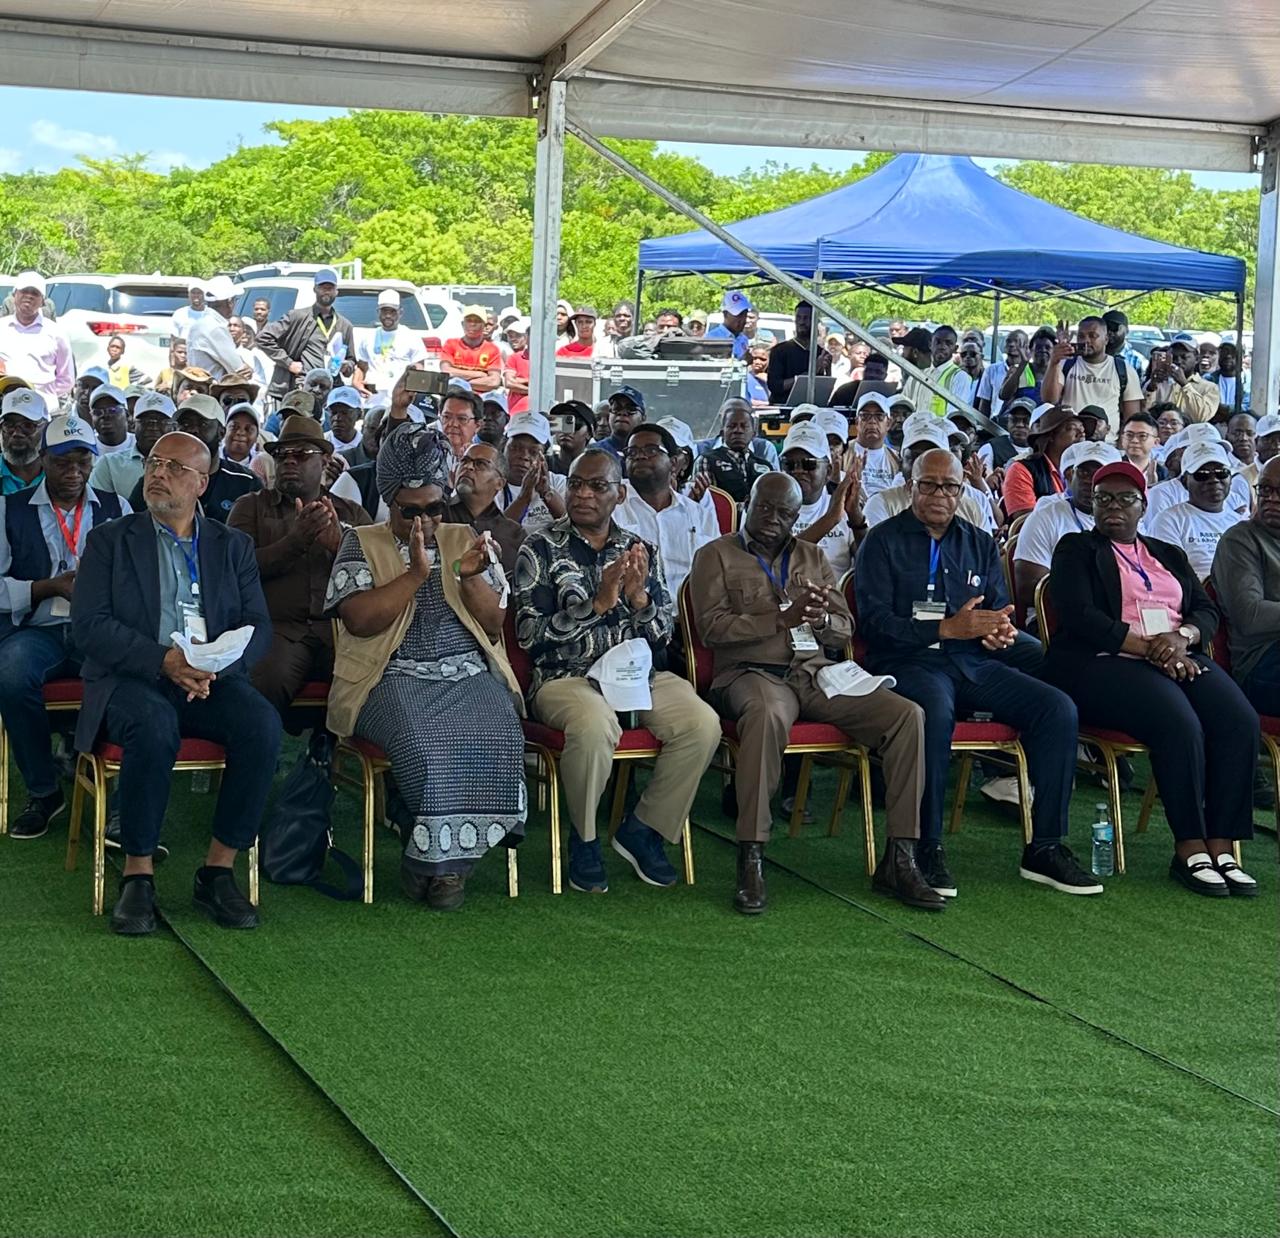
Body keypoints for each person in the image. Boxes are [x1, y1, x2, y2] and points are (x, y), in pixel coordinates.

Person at [688, 472, 941, 914]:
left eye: (784, 512)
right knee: (767, 714)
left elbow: (844, 628)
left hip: (814, 673)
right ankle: (751, 856)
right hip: (751, 673)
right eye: (765, 507)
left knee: (907, 716)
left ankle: (900, 857)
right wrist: (782, 619)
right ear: (748, 504)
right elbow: (712, 629)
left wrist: (822, 620)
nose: (773, 518)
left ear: (797, 516)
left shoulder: (812, 556)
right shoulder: (716, 555)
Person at [856, 448, 1098, 898]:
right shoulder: (882, 541)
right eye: (928, 485)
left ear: (961, 491)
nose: (939, 494)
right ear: (910, 487)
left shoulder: (980, 542)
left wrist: (997, 631)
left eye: (949, 486)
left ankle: (1045, 846)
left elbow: (996, 609)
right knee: (933, 712)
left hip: (971, 662)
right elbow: (873, 624)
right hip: (908, 662)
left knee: (1057, 708)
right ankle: (925, 847)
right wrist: (945, 628)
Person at [71, 429, 282, 934]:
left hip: (209, 678)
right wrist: (163, 660)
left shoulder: (232, 546)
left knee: (262, 725)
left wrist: (214, 668)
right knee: (153, 723)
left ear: (201, 483)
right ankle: (138, 874)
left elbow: (258, 625)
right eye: (154, 463)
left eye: (174, 467)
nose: (158, 473)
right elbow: (90, 626)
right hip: (132, 677)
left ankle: (218, 870)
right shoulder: (110, 540)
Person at [325, 422, 524, 908]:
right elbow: (359, 621)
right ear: (389, 502)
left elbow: (494, 622)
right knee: (422, 742)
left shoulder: (464, 537)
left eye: (434, 508)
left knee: (501, 727)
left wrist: (471, 577)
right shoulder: (360, 542)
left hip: (467, 672)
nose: (425, 520)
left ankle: (442, 865)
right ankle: (441, 865)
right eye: (409, 510)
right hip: (388, 676)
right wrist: (416, 574)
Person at [1045, 461, 1259, 896]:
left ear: (1143, 506)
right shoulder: (1076, 549)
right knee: (1178, 721)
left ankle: (1222, 844)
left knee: (1239, 720)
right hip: (1102, 663)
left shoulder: (1168, 553)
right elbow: (1081, 616)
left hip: (1176, 655)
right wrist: (1151, 650)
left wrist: (1182, 638)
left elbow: (1205, 610)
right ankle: (1189, 846)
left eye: (1125, 499)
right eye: (1104, 498)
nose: (1114, 506)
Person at [514, 448, 721, 893]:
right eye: (576, 484)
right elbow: (530, 636)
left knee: (702, 724)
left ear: (619, 495)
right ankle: (584, 838)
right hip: (565, 677)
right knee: (594, 724)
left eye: (597, 486)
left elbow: (662, 633)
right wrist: (598, 605)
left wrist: (640, 599)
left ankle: (644, 828)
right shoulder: (539, 547)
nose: (583, 494)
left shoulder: (638, 549)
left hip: (637, 675)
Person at [0, 414, 131, 839]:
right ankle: (44, 790)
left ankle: (122, 802)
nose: (73, 471)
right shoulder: (8, 510)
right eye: (62, 462)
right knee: (11, 675)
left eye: (82, 461)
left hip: (100, 630)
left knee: (137, 677)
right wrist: (47, 587)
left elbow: (137, 580)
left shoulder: (118, 508)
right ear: (42, 459)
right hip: (39, 630)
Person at [228, 415, 370, 721]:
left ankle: (333, 746)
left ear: (325, 461)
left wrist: (340, 549)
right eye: (282, 454)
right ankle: (261, 746)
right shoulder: (250, 506)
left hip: (340, 632)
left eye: (302, 454)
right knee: (265, 683)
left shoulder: (351, 512)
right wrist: (295, 542)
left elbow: (378, 571)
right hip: (277, 630)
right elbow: (234, 571)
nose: (289, 461)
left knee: (369, 679)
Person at [1012, 441, 1122, 628]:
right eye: (1083, 472)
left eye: (1099, 474)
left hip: (1121, 616)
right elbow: (1028, 589)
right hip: (1059, 620)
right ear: (1072, 476)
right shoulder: (1046, 516)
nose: (1089, 480)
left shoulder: (1128, 521)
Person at [614, 422, 719, 599]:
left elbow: (717, 571)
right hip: (633, 611)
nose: (640, 456)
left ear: (673, 462)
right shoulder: (613, 507)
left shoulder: (699, 514)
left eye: (651, 450)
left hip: (690, 612)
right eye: (632, 452)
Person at [1213, 456, 1280, 714]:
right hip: (1261, 663)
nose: (1271, 498)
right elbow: (1250, 616)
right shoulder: (1240, 540)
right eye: (1265, 489)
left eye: (1279, 491)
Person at [127, 394, 260, 522]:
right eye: (185, 424)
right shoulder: (157, 480)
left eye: (203, 424)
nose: (192, 430)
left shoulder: (246, 483)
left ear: (221, 432)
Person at [863, 414, 995, 534]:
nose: (922, 465)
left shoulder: (972, 510)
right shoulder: (881, 504)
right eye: (915, 457)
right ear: (901, 463)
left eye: (931, 457)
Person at [1149, 440, 1248, 581]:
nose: (1213, 480)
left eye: (1221, 473)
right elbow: (1172, 576)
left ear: (1230, 478)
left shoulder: (1240, 523)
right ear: (1184, 481)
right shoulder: (1168, 521)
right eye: (1202, 474)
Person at [255, 269, 356, 399]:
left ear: (336, 291)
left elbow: (351, 360)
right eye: (322, 288)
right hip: (302, 386)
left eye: (330, 288)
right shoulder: (297, 317)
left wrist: (346, 366)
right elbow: (263, 338)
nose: (326, 291)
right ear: (315, 289)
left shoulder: (345, 325)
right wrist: (288, 363)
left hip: (330, 390)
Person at [779, 421, 862, 576]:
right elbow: (777, 562)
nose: (798, 471)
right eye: (789, 464)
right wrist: (830, 519)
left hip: (835, 590)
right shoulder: (767, 507)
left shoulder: (843, 507)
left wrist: (857, 518)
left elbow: (870, 562)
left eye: (809, 464)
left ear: (828, 471)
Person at [1040, 317, 1141, 427]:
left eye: (1093, 336)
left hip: (1107, 437)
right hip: (1070, 435)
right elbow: (1049, 399)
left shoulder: (1125, 370)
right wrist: (1053, 363)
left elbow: (1132, 419)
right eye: (1081, 336)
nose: (1086, 340)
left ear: (1106, 339)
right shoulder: (1065, 364)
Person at [448, 441, 525, 574]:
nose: (468, 467)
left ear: (499, 483)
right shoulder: (436, 516)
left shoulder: (513, 534)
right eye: (464, 461)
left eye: (480, 464)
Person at [0, 273, 74, 412]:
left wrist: (45, 394)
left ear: (43, 301)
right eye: (24, 291)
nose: (29, 296)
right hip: (6, 409)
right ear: (14, 295)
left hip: (44, 411)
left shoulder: (56, 333)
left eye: (35, 293)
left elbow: (67, 380)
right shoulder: (1, 327)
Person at [1000, 404, 1084, 519]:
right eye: (1071, 428)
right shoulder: (1021, 470)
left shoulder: (1084, 471)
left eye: (1082, 428)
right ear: (1051, 436)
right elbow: (1025, 522)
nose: (1081, 433)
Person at [89, 391, 176, 499]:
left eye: (161, 422)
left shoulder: (186, 465)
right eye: (145, 421)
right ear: (134, 425)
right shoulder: (109, 465)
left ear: (174, 427)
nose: (152, 427)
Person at [500, 411, 567, 535]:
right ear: (504, 447)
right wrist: (523, 498)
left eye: (534, 451)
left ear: (544, 456)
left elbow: (573, 528)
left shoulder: (558, 483)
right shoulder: (490, 484)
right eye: (516, 448)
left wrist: (547, 493)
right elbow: (496, 534)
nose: (524, 456)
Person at [694, 401, 773, 503]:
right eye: (732, 426)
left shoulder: (766, 466)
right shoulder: (707, 460)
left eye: (744, 426)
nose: (738, 430)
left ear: (753, 434)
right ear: (722, 432)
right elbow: (707, 502)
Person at [355, 289, 428, 395]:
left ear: (400, 312)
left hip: (399, 396)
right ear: (378, 312)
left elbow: (419, 368)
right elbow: (362, 366)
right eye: (384, 311)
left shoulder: (412, 337)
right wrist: (357, 382)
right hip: (373, 397)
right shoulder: (368, 337)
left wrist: (411, 392)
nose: (388, 316)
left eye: (392, 311)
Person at [1142, 335, 1220, 424]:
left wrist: (1185, 384)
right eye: (1174, 357)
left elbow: (1201, 416)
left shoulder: (1210, 388)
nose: (1178, 361)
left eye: (1184, 357)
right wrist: (1151, 387)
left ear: (1197, 359)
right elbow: (1144, 412)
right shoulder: (1158, 382)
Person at [186, 277, 250, 381]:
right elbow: (239, 369)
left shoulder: (201, 324)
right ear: (229, 302)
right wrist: (247, 368)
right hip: (213, 386)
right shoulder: (215, 328)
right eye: (235, 300)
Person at [766, 302, 831, 403]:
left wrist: (828, 369)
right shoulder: (779, 351)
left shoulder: (821, 353)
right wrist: (812, 371)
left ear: (814, 321)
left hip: (812, 408)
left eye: (806, 318)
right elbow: (775, 386)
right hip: (784, 408)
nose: (801, 322)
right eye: (798, 318)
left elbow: (825, 389)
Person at [848, 392, 901, 498]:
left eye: (879, 416)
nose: (872, 421)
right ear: (857, 422)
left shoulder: (897, 459)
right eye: (865, 416)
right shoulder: (843, 453)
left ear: (888, 423)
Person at [440, 306, 503, 393]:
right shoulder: (451, 344)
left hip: (480, 397)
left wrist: (459, 382)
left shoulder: (492, 349)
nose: (472, 324)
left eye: (477, 321)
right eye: (469, 320)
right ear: (463, 324)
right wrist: (480, 375)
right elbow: (446, 371)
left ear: (484, 325)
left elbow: (494, 381)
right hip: (453, 394)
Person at [0, 384, 49, 495]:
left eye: (28, 426)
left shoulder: (59, 475)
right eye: (9, 425)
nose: (17, 433)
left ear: (46, 428)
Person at [995, 327, 1056, 410]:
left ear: (1054, 350)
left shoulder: (1058, 373)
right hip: (1019, 417)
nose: (1043, 350)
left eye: (1047, 347)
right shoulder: (1018, 369)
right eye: (1038, 347)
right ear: (1031, 350)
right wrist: (1022, 365)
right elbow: (1003, 395)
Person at [975, 330, 1027, 418]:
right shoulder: (991, 370)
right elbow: (984, 404)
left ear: (1026, 346)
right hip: (996, 422)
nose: (1011, 344)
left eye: (1016, 342)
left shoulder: (1030, 371)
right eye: (1008, 341)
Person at [594, 386, 646, 464]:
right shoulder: (594, 452)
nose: (622, 413)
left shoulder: (650, 453)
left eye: (631, 409)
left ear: (643, 418)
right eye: (616, 408)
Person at [547, 399, 595, 475]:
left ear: (589, 433)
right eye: (561, 422)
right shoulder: (542, 464)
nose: (566, 431)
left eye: (575, 424)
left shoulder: (596, 468)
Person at [1118, 411, 1164, 486]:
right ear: (1122, 439)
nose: (1134, 440)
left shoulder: (1163, 473)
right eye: (1129, 435)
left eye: (1142, 436)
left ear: (1156, 442)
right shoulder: (1113, 468)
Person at [88, 386, 135, 458]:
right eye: (98, 412)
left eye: (112, 410)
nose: (105, 415)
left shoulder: (139, 445)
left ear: (127, 414)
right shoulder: (87, 450)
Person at [1102, 310, 1147, 385]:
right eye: (1105, 327)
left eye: (1114, 327)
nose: (1109, 332)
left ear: (1127, 330)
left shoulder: (1138, 361)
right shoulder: (1092, 356)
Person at [705, 290, 751, 359]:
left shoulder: (744, 339)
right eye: (739, 315)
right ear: (725, 314)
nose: (743, 319)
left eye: (745, 314)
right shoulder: (711, 339)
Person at [1207, 342, 1250, 412]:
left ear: (1241, 356)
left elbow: (1247, 407)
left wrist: (1224, 409)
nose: (1228, 356)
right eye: (1224, 352)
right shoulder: (1208, 379)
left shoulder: (1248, 380)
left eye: (1233, 352)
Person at [502, 317, 531, 415]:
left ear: (526, 337)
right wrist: (533, 390)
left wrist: (519, 380)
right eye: (510, 336)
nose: (513, 339)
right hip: (515, 412)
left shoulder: (544, 360)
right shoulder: (513, 358)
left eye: (518, 335)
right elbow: (509, 383)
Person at [221, 402, 262, 469]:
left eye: (248, 429)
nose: (241, 432)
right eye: (234, 427)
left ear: (257, 437)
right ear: (223, 431)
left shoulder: (262, 464)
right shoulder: (212, 459)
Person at [324, 387, 362, 453]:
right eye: (333, 412)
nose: (337, 418)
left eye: (345, 413)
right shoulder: (320, 444)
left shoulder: (366, 445)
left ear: (359, 415)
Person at [1226, 412, 1259, 488]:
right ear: (1227, 436)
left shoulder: (1266, 464)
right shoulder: (1222, 466)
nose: (1244, 438)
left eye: (1250, 433)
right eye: (1237, 433)